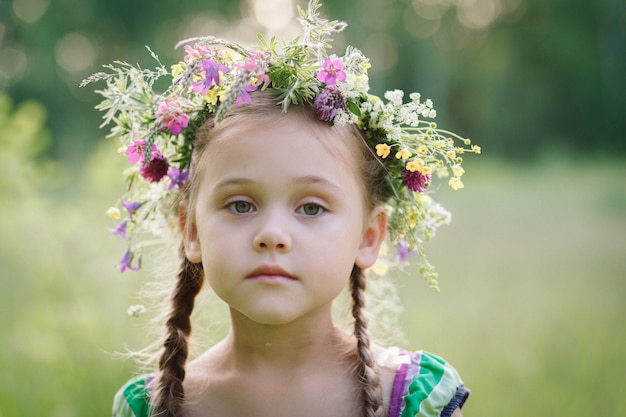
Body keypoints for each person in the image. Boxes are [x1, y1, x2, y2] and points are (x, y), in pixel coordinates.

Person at [84, 1, 479, 416]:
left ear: (369, 237)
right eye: (240, 204)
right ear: (192, 230)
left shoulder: (412, 398)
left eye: (310, 208)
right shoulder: (152, 406)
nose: (271, 234)